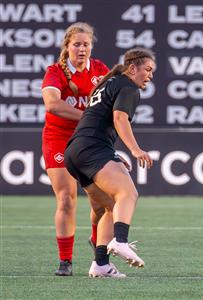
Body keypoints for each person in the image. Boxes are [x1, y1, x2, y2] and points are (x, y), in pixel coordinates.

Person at [64, 48, 155, 276]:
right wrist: (135, 149)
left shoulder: (110, 82)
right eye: (148, 69)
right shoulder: (128, 86)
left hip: (75, 151)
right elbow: (119, 118)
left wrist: (112, 154)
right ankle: (120, 241)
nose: (150, 75)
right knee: (128, 194)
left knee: (111, 207)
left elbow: (100, 121)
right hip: (92, 148)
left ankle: (101, 264)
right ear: (132, 68)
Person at [42, 22, 110, 276]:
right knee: (67, 199)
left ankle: (98, 246)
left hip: (89, 140)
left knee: (100, 203)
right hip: (58, 138)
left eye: (86, 44)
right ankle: (65, 261)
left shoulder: (100, 70)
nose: (82, 49)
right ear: (67, 47)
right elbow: (52, 105)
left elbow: (110, 101)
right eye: (77, 44)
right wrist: (87, 116)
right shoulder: (55, 72)